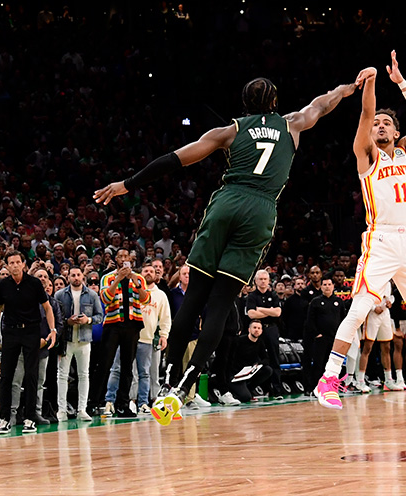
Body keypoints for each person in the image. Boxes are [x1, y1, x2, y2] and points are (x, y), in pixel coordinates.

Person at [94, 73, 360, 426]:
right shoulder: (293, 124)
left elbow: (175, 159)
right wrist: (349, 88)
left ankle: (170, 378)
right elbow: (324, 103)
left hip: (229, 202)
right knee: (221, 304)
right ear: (275, 103)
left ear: (245, 105)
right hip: (262, 210)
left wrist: (128, 184)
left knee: (195, 298)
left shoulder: (231, 131)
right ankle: (188, 382)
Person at [314, 55, 406, 408]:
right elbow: (364, 114)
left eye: (386, 123)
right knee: (358, 310)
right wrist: (371, 81)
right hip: (382, 239)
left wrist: (401, 81)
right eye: (377, 124)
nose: (380, 126)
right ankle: (328, 378)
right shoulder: (367, 156)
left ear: (396, 131)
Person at [0, 251, 56, 433]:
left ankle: (30, 417)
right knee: (7, 376)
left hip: (31, 330)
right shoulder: (3, 284)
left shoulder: (34, 283)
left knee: (31, 375)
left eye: (18, 262)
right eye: (11, 263)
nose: (15, 265)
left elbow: (47, 308)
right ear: (7, 265)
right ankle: (5, 418)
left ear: (23, 264)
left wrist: (53, 330)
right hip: (10, 331)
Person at [90, 249, 145, 417]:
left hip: (133, 325)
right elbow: (105, 299)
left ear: (131, 259)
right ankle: (93, 403)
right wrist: (119, 279)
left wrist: (134, 280)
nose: (123, 259)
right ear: (116, 259)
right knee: (104, 365)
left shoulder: (139, 278)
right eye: (120, 256)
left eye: (125, 256)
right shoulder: (107, 277)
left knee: (128, 367)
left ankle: (123, 404)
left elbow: (145, 299)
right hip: (113, 325)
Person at [54, 266, 102, 421]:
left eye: (78, 275)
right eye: (72, 275)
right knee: (62, 375)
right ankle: (61, 410)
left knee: (84, 375)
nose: (76, 277)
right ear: (68, 277)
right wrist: (66, 321)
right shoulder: (60, 294)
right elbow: (55, 317)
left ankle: (82, 409)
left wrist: (87, 320)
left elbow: (100, 316)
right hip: (66, 340)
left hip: (84, 340)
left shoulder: (92, 294)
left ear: (83, 277)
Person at [133, 259, 172, 413]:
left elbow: (165, 318)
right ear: (140, 275)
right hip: (133, 337)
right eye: (145, 271)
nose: (148, 273)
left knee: (152, 372)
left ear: (157, 277)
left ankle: (154, 399)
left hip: (151, 339)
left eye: (152, 271)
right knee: (133, 373)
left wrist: (164, 335)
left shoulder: (161, 295)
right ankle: (133, 400)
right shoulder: (133, 291)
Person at [244, 269, 284, 390]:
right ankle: (252, 388)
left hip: (271, 329)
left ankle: (277, 389)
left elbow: (277, 313)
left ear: (269, 281)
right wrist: (269, 311)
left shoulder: (273, 295)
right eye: (260, 279)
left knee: (274, 358)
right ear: (255, 281)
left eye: (265, 279)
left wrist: (260, 309)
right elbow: (251, 314)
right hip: (256, 330)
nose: (262, 282)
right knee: (256, 359)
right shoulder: (251, 296)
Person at [303, 277, 346, 386]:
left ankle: (332, 386)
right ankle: (315, 387)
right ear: (321, 287)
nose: (327, 287)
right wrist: (317, 334)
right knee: (318, 364)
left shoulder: (339, 301)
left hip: (334, 338)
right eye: (325, 285)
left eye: (329, 284)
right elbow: (310, 320)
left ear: (333, 286)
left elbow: (343, 319)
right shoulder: (315, 301)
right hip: (321, 339)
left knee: (332, 364)